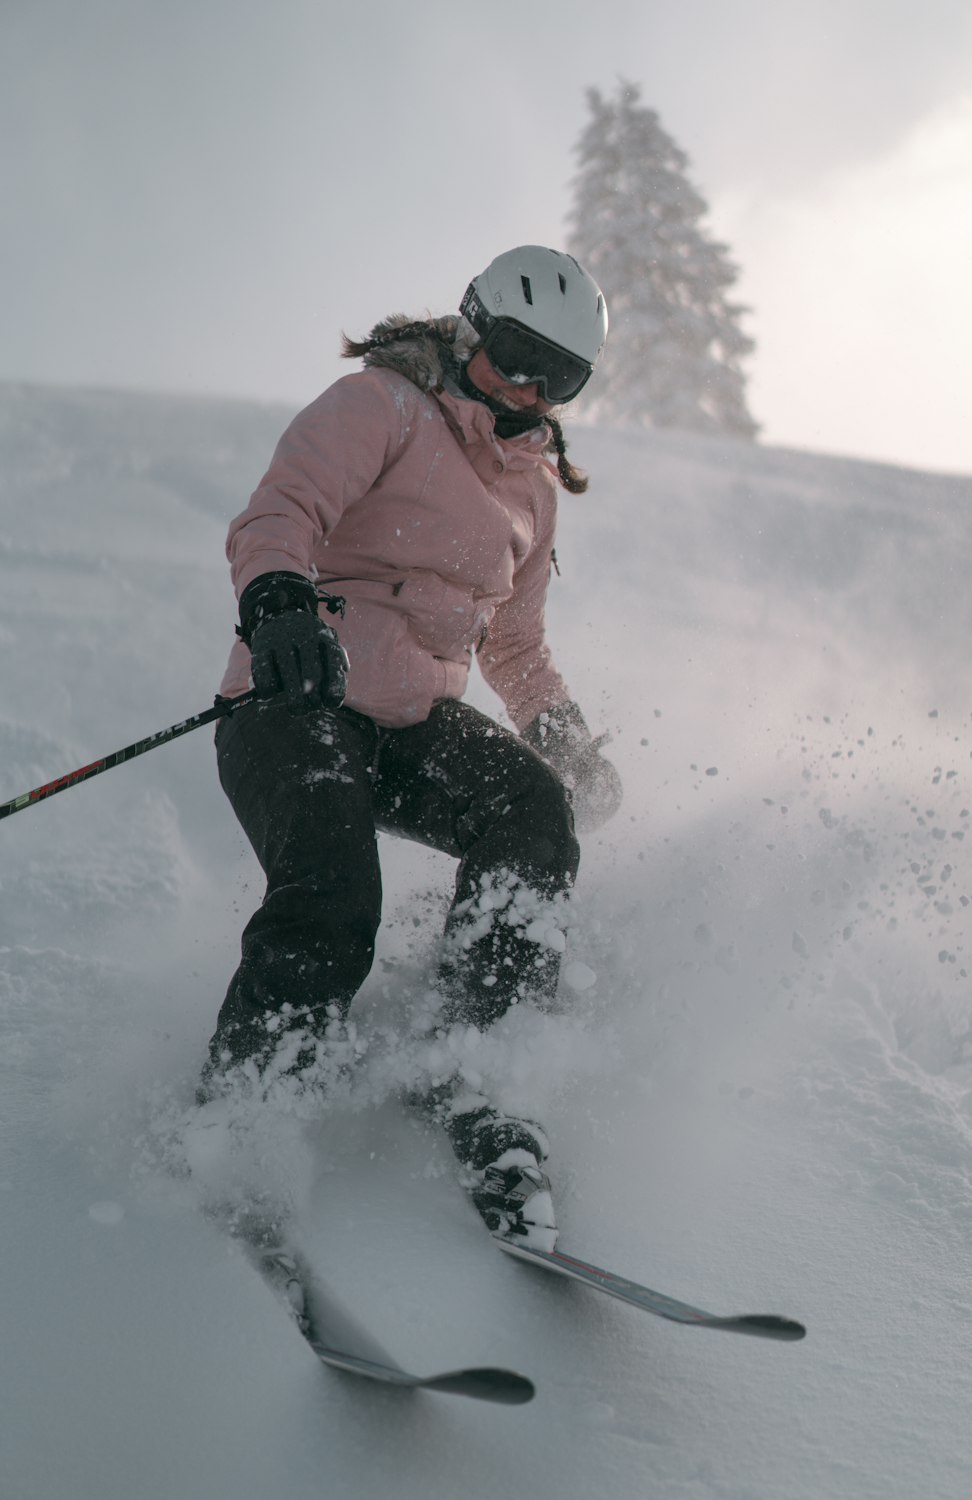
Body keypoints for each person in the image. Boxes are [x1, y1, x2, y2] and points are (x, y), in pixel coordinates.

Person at [207, 245, 622, 1247]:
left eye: (555, 376)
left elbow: (512, 644)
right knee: (335, 895)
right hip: (294, 701)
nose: (526, 388)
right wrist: (278, 604)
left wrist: (556, 728)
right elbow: (281, 511)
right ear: (474, 327)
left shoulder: (532, 491)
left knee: (532, 815)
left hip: (407, 724)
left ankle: (473, 1072)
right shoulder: (381, 406)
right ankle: (243, 1121)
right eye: (514, 355)